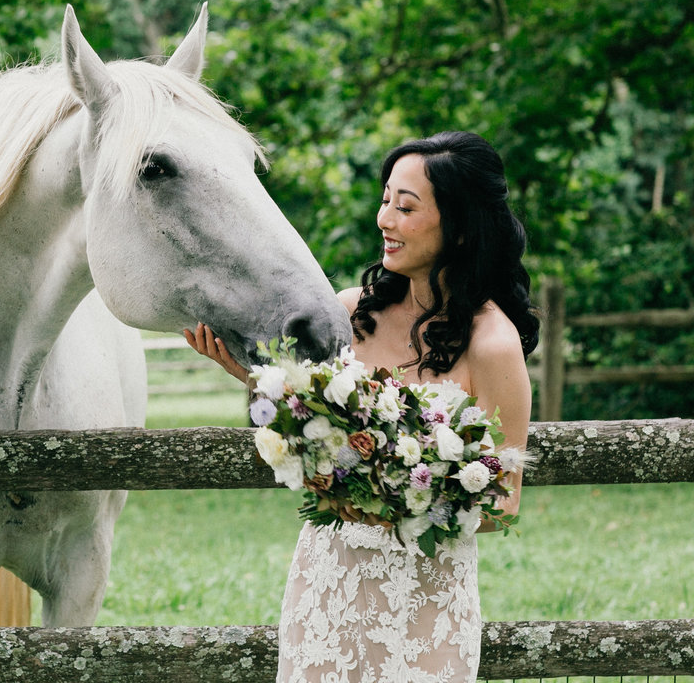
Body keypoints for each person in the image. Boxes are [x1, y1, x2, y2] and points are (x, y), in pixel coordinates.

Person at [185, 131, 538, 683]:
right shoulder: (348, 314)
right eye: (385, 201)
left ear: (462, 226)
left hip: (425, 604)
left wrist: (386, 504)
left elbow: (502, 504)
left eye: (406, 207)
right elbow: (310, 433)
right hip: (329, 584)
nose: (384, 219)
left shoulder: (492, 343)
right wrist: (255, 379)